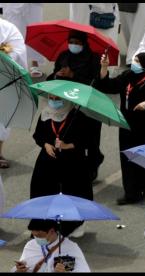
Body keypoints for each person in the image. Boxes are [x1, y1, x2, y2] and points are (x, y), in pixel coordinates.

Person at [97, 52, 145, 205]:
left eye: (138, 61)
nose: (134, 63)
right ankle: (132, 193)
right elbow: (108, 86)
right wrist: (104, 67)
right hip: (127, 126)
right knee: (128, 158)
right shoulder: (127, 76)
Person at [30, 95, 93, 237]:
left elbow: (87, 139)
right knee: (43, 191)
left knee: (71, 193)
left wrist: (68, 145)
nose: (53, 101)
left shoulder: (77, 116)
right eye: (51, 98)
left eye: (57, 98)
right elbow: (38, 135)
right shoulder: (46, 114)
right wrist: (46, 144)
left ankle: (70, 225)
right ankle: (43, 227)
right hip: (48, 160)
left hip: (72, 162)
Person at [46, 30, 103, 182]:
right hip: (68, 103)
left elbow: (95, 83)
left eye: (77, 43)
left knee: (90, 138)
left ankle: (93, 164)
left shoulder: (94, 59)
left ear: (84, 44)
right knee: (70, 137)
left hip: (89, 104)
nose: (73, 45)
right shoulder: (64, 56)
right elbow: (52, 78)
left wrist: (73, 76)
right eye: (71, 42)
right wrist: (58, 74)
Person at [0, 17, 28, 169]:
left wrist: (4, 54)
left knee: (2, 120)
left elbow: (17, 52)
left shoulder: (8, 29)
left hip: (6, 77)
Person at [12, 219, 90, 272]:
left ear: (52, 231)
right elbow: (22, 266)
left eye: (39, 236)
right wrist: (18, 270)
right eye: (34, 236)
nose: (36, 239)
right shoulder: (30, 245)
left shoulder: (71, 248)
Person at [1, 3, 45, 77]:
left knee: (35, 31)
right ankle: (14, 64)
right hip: (11, 6)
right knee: (14, 33)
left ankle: (35, 64)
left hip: (33, 5)